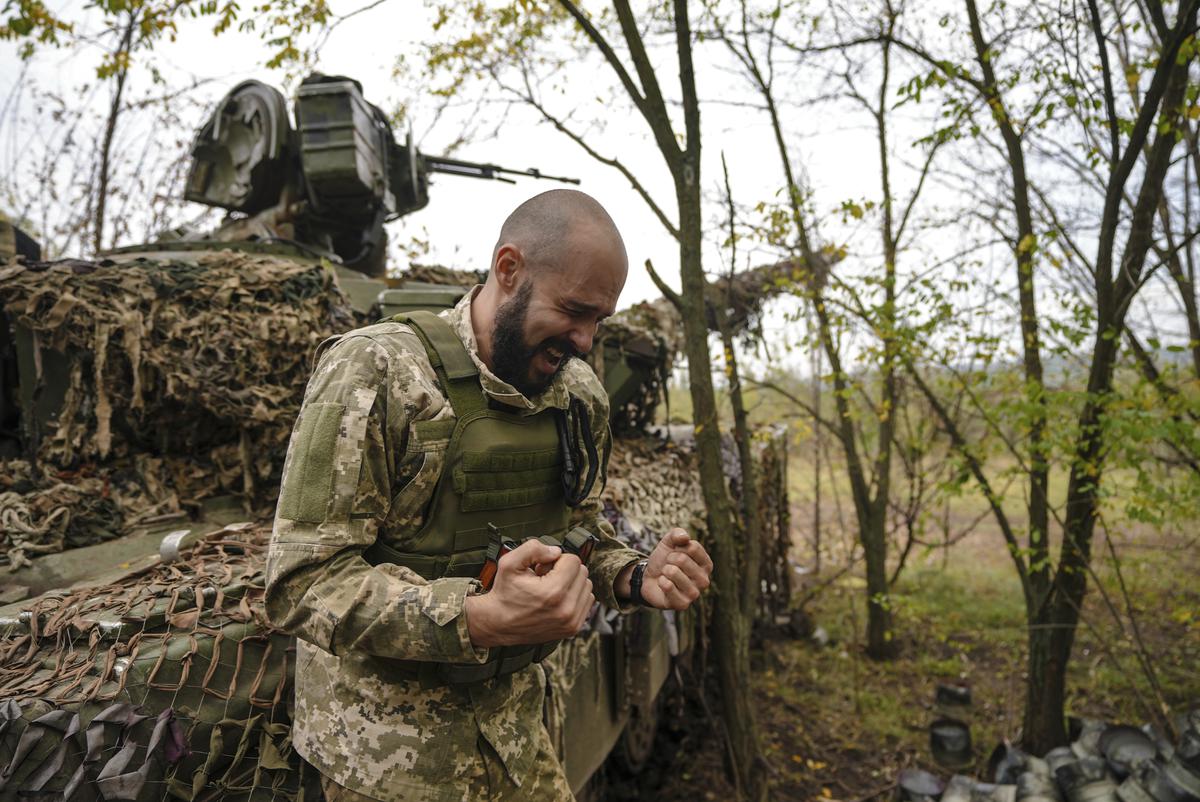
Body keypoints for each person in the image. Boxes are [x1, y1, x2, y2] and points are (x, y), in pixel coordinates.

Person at [266, 189, 714, 802]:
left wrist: (634, 577)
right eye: (574, 311)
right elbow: (302, 582)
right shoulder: (375, 373)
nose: (585, 341)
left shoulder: (578, 393)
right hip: (385, 762)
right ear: (509, 270)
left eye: (599, 321)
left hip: (518, 740)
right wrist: (475, 618)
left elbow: (579, 532)